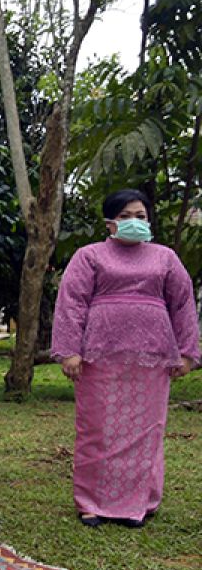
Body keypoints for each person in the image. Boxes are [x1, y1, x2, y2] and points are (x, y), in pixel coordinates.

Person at [51, 189, 199, 528]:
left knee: (146, 429)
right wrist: (70, 351)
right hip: (100, 354)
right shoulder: (89, 256)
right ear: (110, 223)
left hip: (152, 355)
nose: (135, 222)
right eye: (126, 216)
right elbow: (72, 302)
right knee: (96, 428)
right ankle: (91, 502)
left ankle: (140, 501)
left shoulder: (165, 258)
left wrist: (188, 352)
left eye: (141, 216)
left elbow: (182, 303)